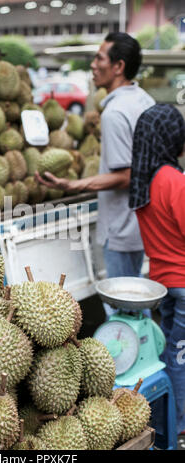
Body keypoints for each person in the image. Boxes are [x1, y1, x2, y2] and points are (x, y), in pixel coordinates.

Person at [36, 33, 155, 288]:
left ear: (118, 66)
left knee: (123, 307)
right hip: (143, 222)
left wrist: (73, 185)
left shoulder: (114, 113)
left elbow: (126, 176)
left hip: (121, 227)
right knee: (137, 296)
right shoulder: (145, 100)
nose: (92, 65)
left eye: (99, 58)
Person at [129, 103, 185, 435]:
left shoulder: (144, 180)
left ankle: (166, 424)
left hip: (163, 284)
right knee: (179, 361)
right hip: (183, 284)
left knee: (169, 355)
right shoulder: (171, 180)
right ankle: (177, 429)